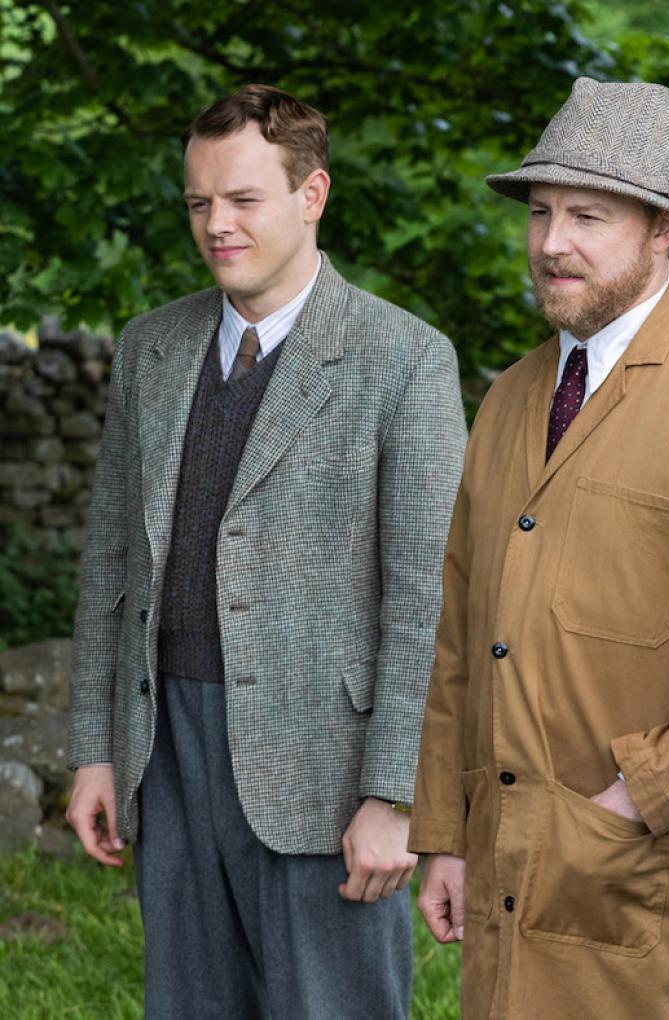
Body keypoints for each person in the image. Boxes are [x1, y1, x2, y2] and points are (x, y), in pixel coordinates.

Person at [63, 84, 466, 1017]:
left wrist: (395, 796)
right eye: (199, 203)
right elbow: (112, 567)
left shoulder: (403, 358)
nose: (217, 225)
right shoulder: (149, 348)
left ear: (311, 195)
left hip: (328, 772)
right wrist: (94, 750)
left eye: (243, 200)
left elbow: (428, 603)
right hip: (167, 753)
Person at [407, 79, 669, 1017]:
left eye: (586, 216)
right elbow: (459, 633)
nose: (550, 243)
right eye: (540, 214)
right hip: (498, 867)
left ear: (662, 230)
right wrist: (445, 835)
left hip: (649, 882)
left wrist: (631, 798)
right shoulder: (506, 399)